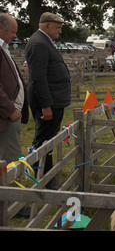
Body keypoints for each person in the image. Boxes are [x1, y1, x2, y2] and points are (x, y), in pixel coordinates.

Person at [25, 12, 71, 190]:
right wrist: (46, 105)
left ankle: (45, 171)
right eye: (57, 28)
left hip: (53, 99)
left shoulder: (43, 41)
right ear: (46, 26)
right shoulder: (39, 44)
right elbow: (38, 78)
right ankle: (43, 174)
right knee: (44, 140)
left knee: (49, 138)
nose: (59, 31)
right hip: (48, 101)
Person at [0, 13, 29, 164]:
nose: (15, 35)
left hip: (9, 115)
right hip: (5, 115)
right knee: (9, 162)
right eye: (12, 31)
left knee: (11, 158)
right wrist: (9, 110)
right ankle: (9, 188)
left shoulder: (4, 48)